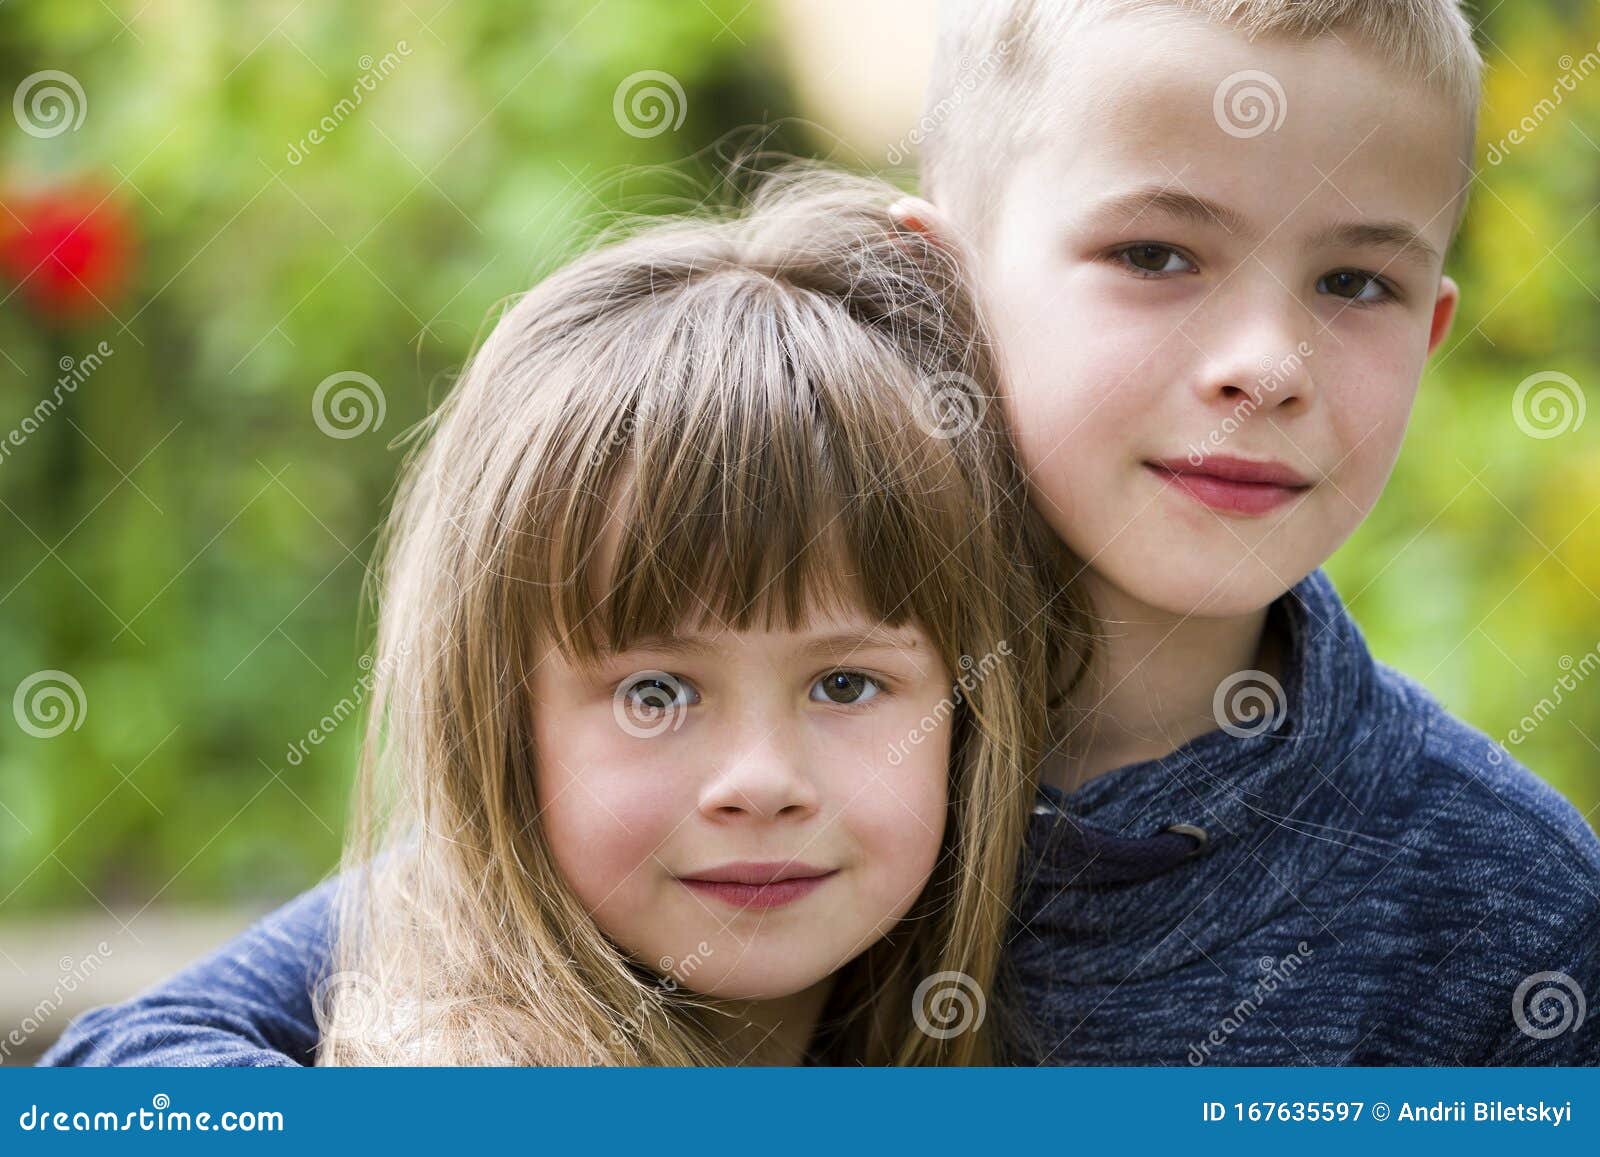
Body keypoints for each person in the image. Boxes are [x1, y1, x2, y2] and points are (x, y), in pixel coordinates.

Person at [40, 169, 1084, 1066]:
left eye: (845, 683)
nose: (760, 780)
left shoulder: (1059, 956)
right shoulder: (432, 930)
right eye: (656, 691)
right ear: (504, 719)